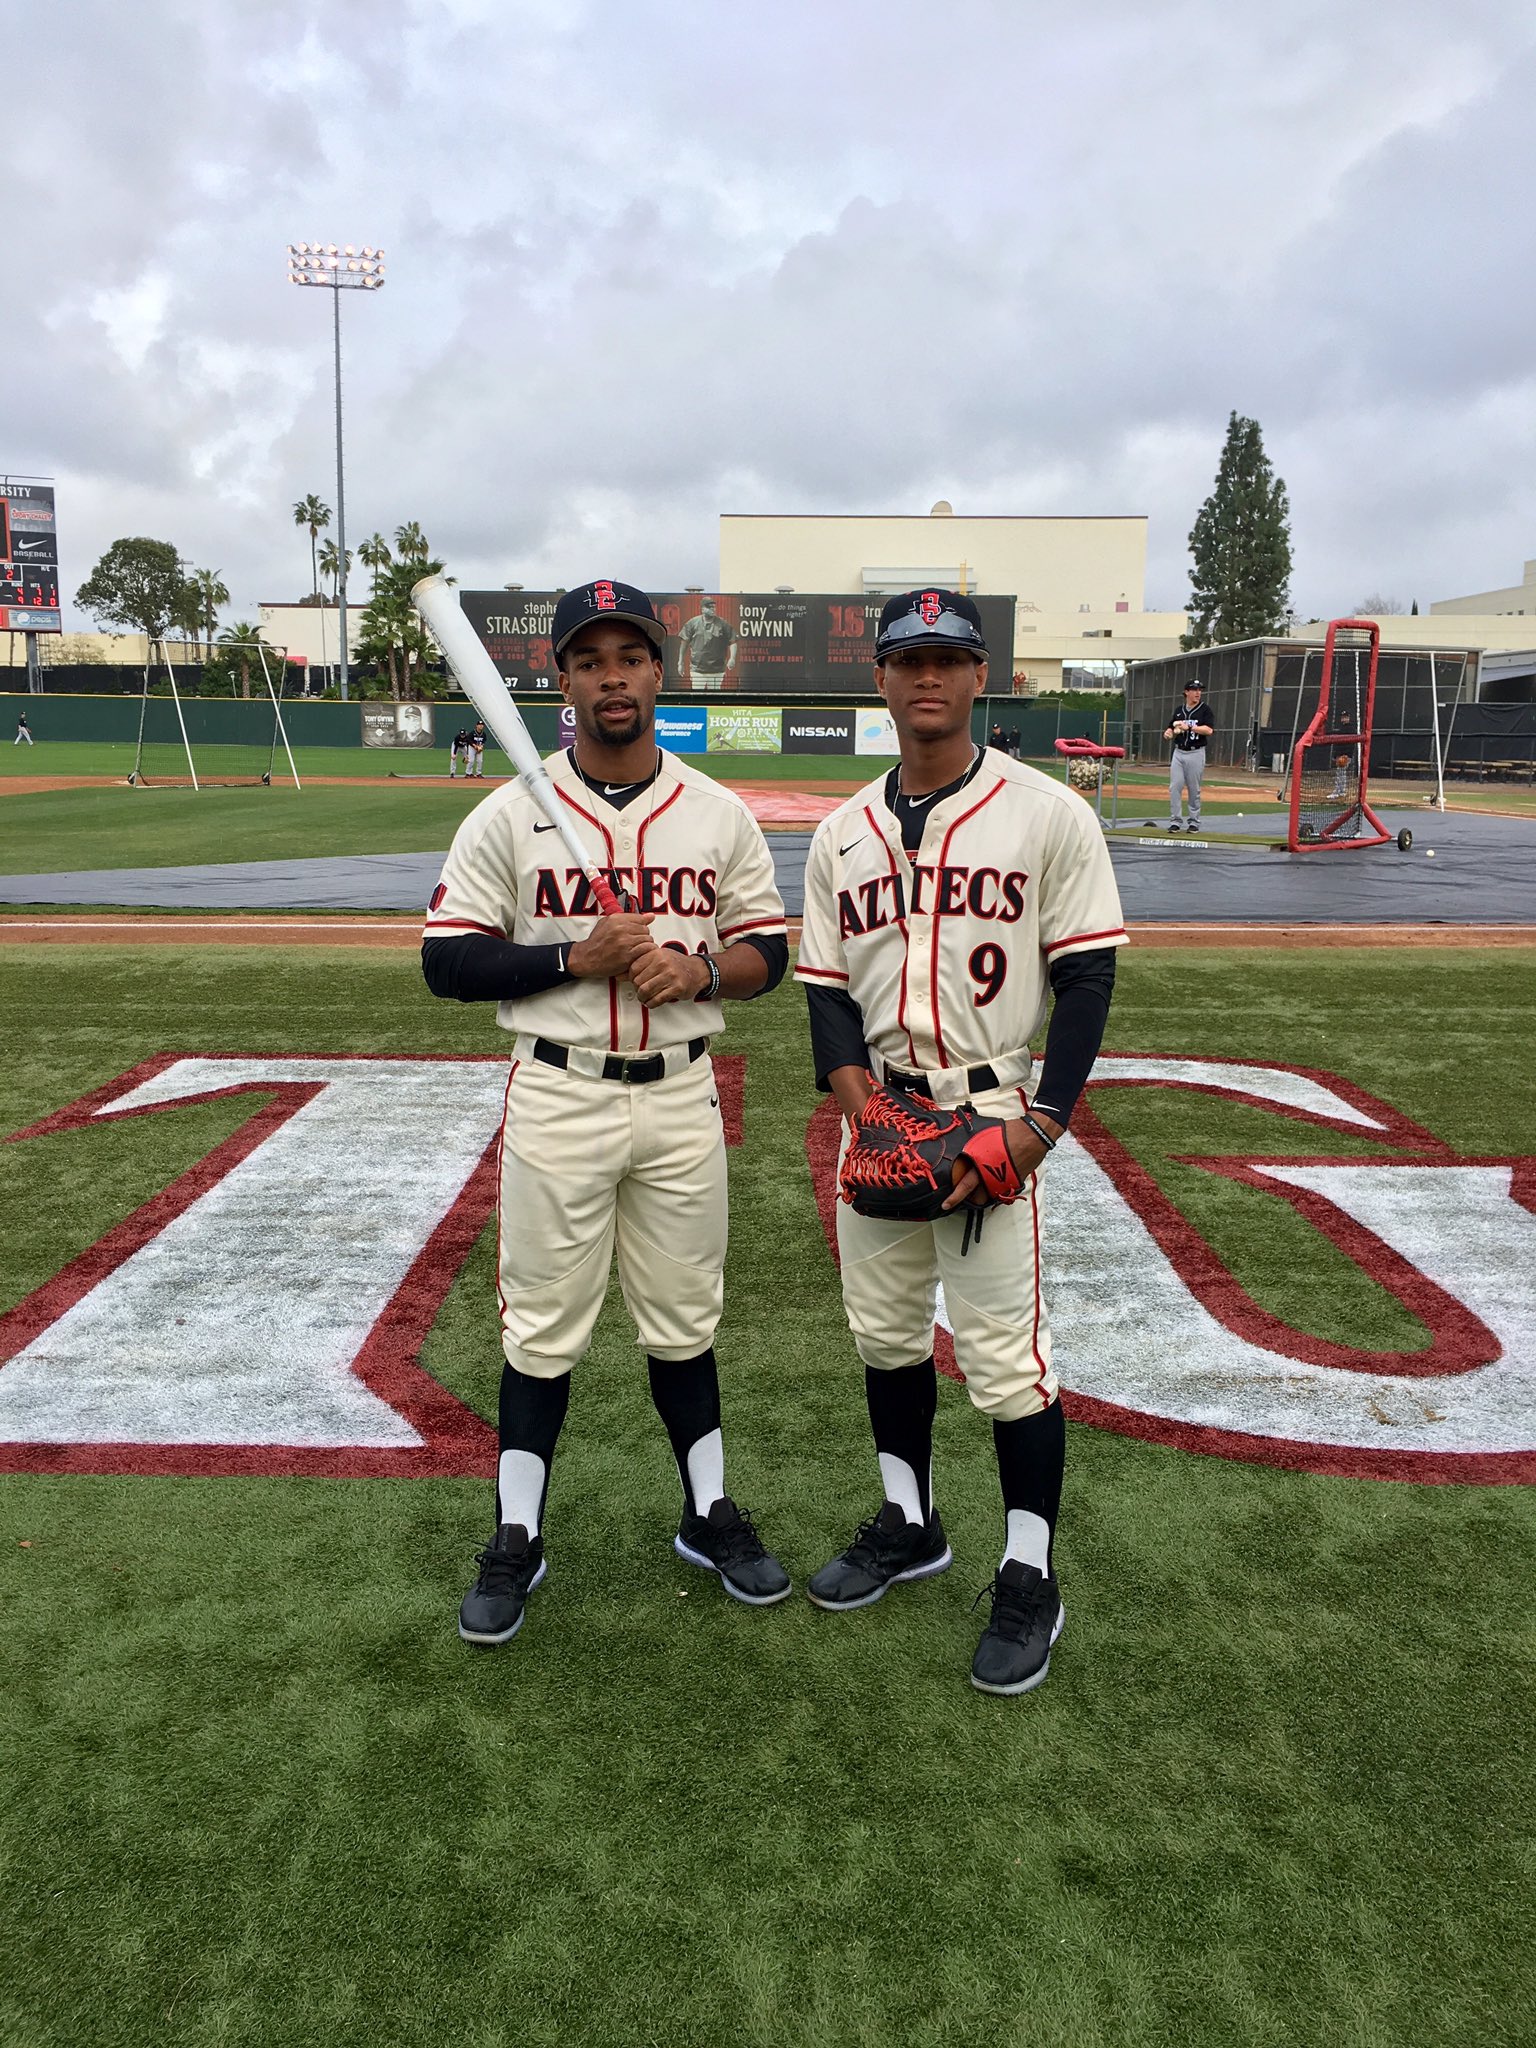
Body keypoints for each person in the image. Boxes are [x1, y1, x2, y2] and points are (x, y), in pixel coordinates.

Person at [422, 577, 793, 1647]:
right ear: (566, 680)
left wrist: (704, 972)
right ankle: (517, 1533)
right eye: (590, 660)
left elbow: (770, 949)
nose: (612, 675)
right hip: (559, 1087)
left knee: (686, 1319)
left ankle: (707, 1508)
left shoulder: (716, 813)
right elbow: (445, 959)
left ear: (658, 673)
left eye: (629, 656)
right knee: (541, 1329)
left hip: (681, 1096)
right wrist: (568, 957)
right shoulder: (512, 812)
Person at [796, 588, 1126, 1696]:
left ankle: (1030, 1573)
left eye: (948, 657)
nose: (926, 676)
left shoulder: (1047, 814)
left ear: (982, 675)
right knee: (885, 1337)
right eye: (907, 659)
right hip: (880, 1112)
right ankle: (909, 1519)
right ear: (881, 680)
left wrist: (1040, 1127)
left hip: (992, 1111)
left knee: (1004, 1363)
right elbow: (825, 991)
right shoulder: (841, 833)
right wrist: (862, 1108)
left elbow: (1086, 979)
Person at [1163, 680, 1213, 831]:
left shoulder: (1205, 710)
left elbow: (1209, 730)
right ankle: (1175, 821)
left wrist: (1190, 726)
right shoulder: (1179, 710)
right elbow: (1171, 727)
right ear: (1186, 692)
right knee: (1175, 786)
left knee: (1193, 788)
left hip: (1195, 752)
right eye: (1194, 689)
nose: (1198, 692)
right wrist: (1168, 732)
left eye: (1199, 690)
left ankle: (1193, 822)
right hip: (1179, 752)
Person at [678, 596, 737, 692]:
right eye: (709, 607)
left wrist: (732, 658)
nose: (712, 609)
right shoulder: (692, 623)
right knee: (697, 698)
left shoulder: (722, 624)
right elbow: (684, 643)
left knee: (714, 699)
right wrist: (680, 662)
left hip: (717, 670)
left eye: (713, 607)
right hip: (697, 669)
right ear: (702, 609)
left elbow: (733, 641)